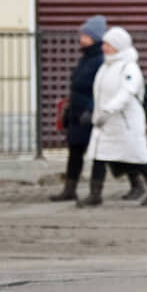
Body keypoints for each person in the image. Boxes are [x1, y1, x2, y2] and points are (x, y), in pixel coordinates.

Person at [80, 27, 147, 207]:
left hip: (126, 124)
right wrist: (94, 113)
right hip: (106, 123)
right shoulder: (106, 66)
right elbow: (100, 94)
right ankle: (95, 195)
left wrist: (108, 110)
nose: (104, 47)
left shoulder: (129, 67)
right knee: (99, 157)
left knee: (138, 158)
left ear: (118, 46)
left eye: (108, 44)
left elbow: (127, 92)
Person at [49, 15, 106, 201]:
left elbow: (101, 88)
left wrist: (92, 110)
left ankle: (133, 182)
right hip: (77, 112)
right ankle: (69, 189)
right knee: (75, 152)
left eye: (86, 35)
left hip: (91, 113)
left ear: (95, 37)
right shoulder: (85, 58)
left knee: (104, 154)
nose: (81, 38)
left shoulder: (100, 60)